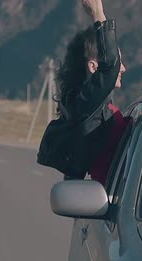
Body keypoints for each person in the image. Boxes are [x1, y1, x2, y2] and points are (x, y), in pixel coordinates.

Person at [55, 0, 128, 184]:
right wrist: (97, 13)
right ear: (94, 67)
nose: (123, 68)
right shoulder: (87, 104)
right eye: (119, 61)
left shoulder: (95, 104)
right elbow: (110, 67)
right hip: (112, 199)